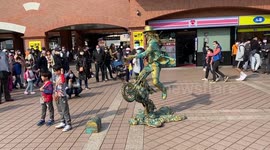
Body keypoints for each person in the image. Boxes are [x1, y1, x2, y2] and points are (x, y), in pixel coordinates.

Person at [125, 25, 175, 100]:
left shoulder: (153, 43)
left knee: (155, 82)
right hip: (150, 64)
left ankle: (164, 90)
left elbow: (145, 53)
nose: (145, 35)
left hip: (155, 64)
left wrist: (132, 56)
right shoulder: (150, 42)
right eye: (145, 34)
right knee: (140, 77)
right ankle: (148, 89)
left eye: (146, 33)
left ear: (150, 34)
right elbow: (149, 53)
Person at [53, 65, 72, 132]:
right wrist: (55, 93)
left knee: (65, 110)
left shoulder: (62, 76)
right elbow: (56, 86)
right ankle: (62, 122)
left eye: (56, 71)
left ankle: (68, 124)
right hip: (57, 95)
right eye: (54, 71)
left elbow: (63, 81)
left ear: (59, 71)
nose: (54, 72)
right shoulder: (56, 76)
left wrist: (62, 72)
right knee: (60, 109)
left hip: (62, 96)